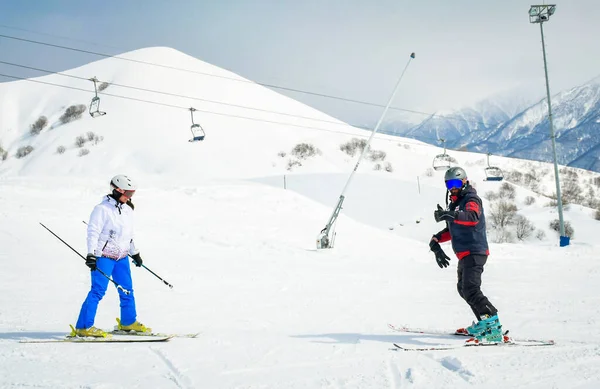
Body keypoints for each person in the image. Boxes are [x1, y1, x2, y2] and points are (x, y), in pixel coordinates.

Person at [429, 167, 502, 343]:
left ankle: (493, 326)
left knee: (471, 289)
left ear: (464, 182)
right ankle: (483, 323)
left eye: (455, 183)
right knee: (463, 289)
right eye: (449, 184)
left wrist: (450, 214)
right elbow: (452, 229)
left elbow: (472, 216)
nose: (452, 187)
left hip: (475, 251)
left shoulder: (471, 199)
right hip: (465, 254)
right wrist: (436, 240)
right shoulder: (455, 204)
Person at [72, 174, 151, 337]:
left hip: (121, 258)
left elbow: (128, 235)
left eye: (132, 194)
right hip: (104, 257)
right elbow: (93, 233)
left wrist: (134, 253)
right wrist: (91, 254)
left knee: (127, 290)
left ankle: (128, 323)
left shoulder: (128, 210)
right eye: (128, 194)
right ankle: (83, 327)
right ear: (117, 190)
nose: (130, 197)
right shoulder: (102, 210)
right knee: (98, 291)